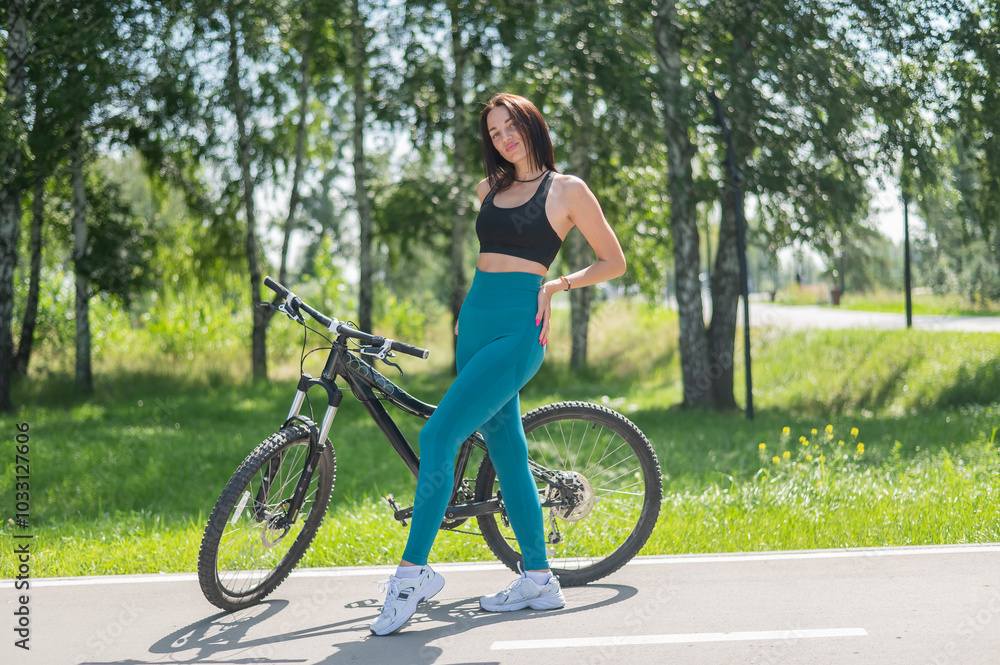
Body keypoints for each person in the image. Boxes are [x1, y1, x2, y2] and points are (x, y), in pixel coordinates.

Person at [370, 92, 626, 636]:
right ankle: (537, 578)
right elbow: (487, 258)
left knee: (439, 437)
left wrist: (557, 285)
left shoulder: (568, 190)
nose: (504, 137)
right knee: (508, 452)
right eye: (494, 131)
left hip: (518, 332)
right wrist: (466, 309)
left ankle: (411, 575)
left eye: (511, 126)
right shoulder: (490, 189)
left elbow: (614, 261)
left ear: (532, 125)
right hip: (475, 327)